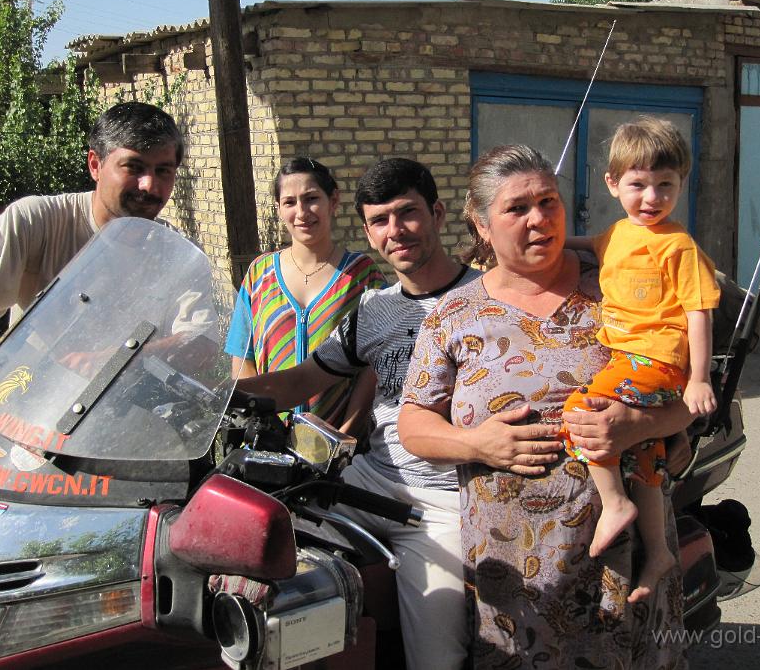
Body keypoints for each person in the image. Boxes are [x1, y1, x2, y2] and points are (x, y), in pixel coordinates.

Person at [237, 157, 564, 670]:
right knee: (259, 565)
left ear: (436, 213)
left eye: (407, 213)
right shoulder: (373, 309)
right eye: (380, 220)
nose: (397, 231)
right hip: (364, 483)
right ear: (368, 232)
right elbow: (303, 379)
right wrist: (219, 397)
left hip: (441, 501)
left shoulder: (491, 296)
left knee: (437, 659)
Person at [397, 145, 690, 669]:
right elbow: (414, 422)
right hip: (517, 572)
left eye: (548, 201)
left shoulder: (617, 280)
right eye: (516, 208)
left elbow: (692, 396)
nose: (539, 219)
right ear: (482, 225)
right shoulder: (455, 315)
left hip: (628, 555)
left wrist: (636, 425)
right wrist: (475, 443)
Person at [0, 101, 184, 453]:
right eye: (134, 167)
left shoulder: (176, 252)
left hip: (118, 434)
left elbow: (198, 340)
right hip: (19, 418)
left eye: (163, 171)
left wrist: (112, 359)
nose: (149, 185)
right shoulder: (39, 219)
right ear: (96, 164)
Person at [562, 117, 721, 602]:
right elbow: (588, 244)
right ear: (613, 183)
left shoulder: (679, 246)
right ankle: (658, 551)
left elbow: (698, 312)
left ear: (681, 184)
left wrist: (698, 377)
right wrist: (545, 242)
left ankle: (613, 504)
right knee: (646, 459)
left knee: (579, 412)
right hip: (633, 359)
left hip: (653, 359)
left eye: (664, 186)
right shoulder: (615, 234)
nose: (651, 198)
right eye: (638, 184)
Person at [225, 157, 386, 431]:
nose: (301, 212)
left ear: (333, 201)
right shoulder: (259, 274)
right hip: (267, 437)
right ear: (278, 208)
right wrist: (259, 423)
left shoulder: (363, 276)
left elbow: (375, 365)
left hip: (342, 440)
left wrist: (344, 435)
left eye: (311, 198)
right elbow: (243, 359)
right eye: (289, 202)